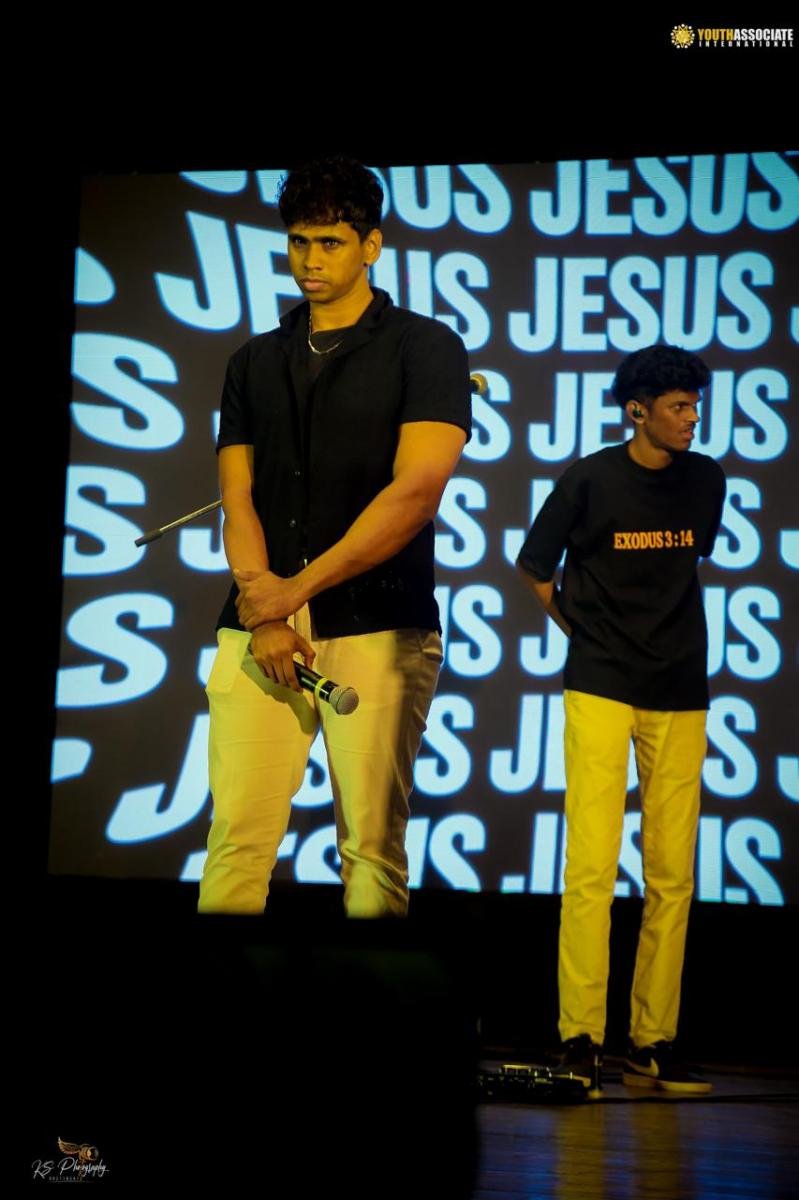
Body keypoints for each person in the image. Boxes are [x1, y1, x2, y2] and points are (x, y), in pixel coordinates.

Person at [198, 156, 471, 918]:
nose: (310, 260)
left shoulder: (425, 347)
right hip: (260, 628)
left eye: (329, 243)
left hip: (378, 622)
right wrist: (267, 611)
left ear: (370, 245)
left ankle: (369, 999)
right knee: (236, 841)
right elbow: (237, 496)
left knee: (372, 851)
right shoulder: (254, 360)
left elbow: (416, 492)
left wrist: (292, 592)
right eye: (299, 242)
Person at [517, 344, 726, 1094]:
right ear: (638, 410)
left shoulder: (706, 480)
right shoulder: (588, 478)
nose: (692, 419)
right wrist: (583, 633)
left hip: (681, 687)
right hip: (601, 684)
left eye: (694, 406)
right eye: (678, 407)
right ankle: (579, 1037)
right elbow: (534, 566)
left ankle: (651, 1041)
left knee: (672, 874)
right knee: (591, 867)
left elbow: (683, 566)